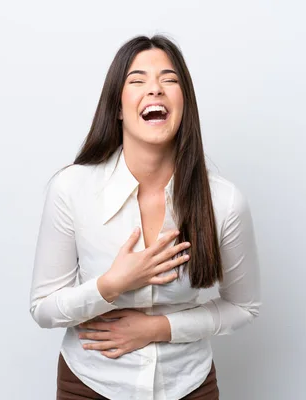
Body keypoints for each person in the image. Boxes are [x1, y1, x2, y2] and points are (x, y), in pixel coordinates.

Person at [29, 34, 261, 400]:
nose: (155, 89)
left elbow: (243, 306)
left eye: (169, 80)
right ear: (118, 107)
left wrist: (159, 328)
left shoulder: (224, 201)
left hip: (188, 385)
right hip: (91, 384)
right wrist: (111, 285)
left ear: (185, 103)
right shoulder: (71, 188)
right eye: (137, 81)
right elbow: (43, 309)